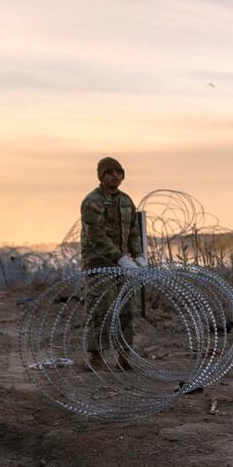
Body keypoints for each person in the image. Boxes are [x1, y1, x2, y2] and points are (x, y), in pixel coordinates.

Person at [79, 157, 146, 369]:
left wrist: (139, 256)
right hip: (99, 264)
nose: (115, 175)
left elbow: (134, 232)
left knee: (126, 309)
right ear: (102, 176)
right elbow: (96, 236)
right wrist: (120, 258)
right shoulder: (93, 201)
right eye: (110, 172)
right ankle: (96, 357)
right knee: (102, 308)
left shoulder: (126, 200)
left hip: (123, 266)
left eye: (119, 171)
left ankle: (124, 356)